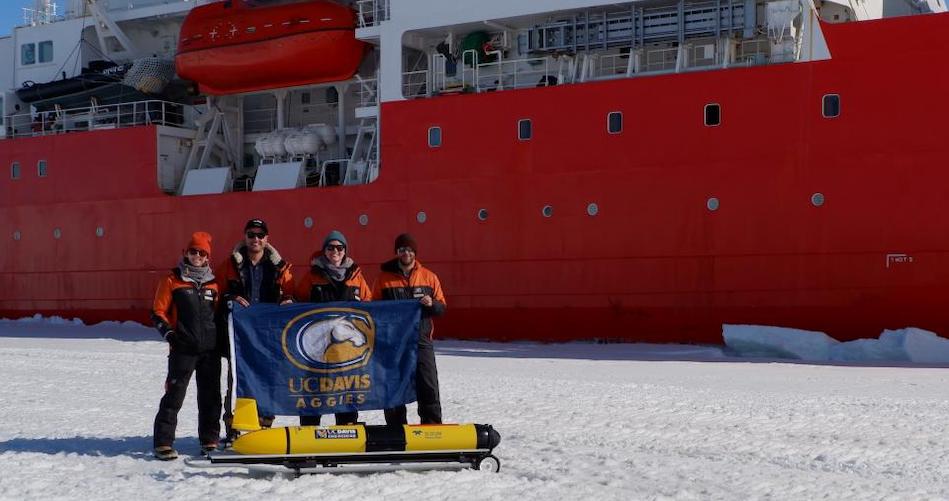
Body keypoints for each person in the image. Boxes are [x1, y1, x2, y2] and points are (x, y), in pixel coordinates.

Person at [217, 218, 293, 438]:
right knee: (238, 381)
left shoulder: (280, 267)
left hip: (268, 336)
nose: (256, 239)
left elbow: (291, 291)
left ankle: (263, 426)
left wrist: (288, 299)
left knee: (267, 380)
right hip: (240, 336)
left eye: (260, 235)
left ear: (267, 239)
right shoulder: (230, 264)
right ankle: (234, 428)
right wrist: (231, 297)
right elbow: (218, 294)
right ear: (245, 237)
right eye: (251, 235)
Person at [151, 232, 221, 460]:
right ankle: (163, 442)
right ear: (185, 253)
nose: (197, 256)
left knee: (210, 397)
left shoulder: (214, 284)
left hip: (210, 351)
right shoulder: (172, 280)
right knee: (174, 395)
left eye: (202, 253)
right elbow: (157, 312)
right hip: (183, 349)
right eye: (193, 251)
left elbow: (217, 315)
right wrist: (169, 334)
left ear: (208, 257)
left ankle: (210, 440)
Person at [294, 230, 372, 426]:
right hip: (316, 352)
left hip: (346, 352)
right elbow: (297, 302)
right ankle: (309, 429)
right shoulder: (312, 277)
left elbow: (370, 306)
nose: (335, 251)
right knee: (314, 389)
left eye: (339, 248)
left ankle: (347, 427)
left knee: (347, 389)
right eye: (330, 248)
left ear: (345, 250)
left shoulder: (356, 276)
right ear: (324, 251)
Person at [372, 233, 446, 425]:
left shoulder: (429, 277)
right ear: (397, 252)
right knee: (393, 389)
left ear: (415, 253)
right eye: (402, 250)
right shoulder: (383, 279)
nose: (406, 253)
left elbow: (441, 307)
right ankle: (396, 431)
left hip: (421, 342)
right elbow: (375, 310)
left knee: (428, 387)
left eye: (410, 250)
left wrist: (431, 304)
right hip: (394, 344)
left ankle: (433, 429)